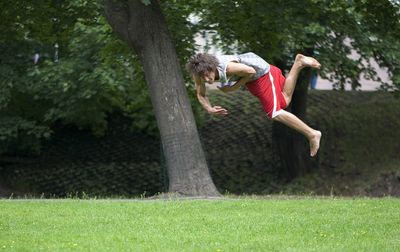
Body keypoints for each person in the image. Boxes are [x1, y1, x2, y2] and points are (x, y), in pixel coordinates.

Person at [186, 52, 322, 157]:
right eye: (202, 76)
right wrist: (209, 108)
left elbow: (251, 71)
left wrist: (233, 87)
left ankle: (312, 134)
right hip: (253, 80)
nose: (206, 79)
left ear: (213, 67)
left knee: (275, 112)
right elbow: (201, 94)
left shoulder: (229, 67)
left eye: (207, 74)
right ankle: (298, 63)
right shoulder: (198, 73)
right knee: (284, 102)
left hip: (262, 73)